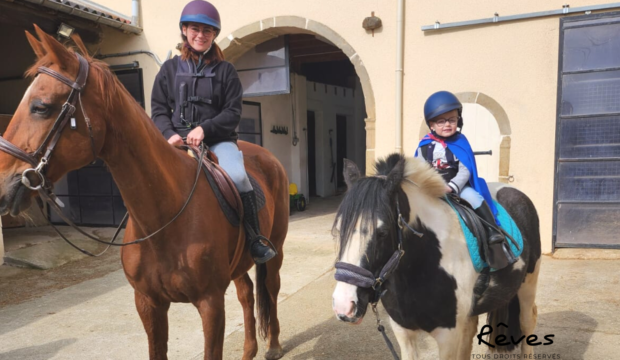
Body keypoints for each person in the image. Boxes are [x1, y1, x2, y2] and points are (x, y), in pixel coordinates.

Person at [150, 0, 275, 264]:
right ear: (184, 30)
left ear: (214, 35)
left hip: (218, 141)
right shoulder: (168, 69)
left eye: (207, 31)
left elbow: (232, 113)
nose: (200, 35)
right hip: (175, 142)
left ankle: (254, 238)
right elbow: (159, 109)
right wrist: (168, 134)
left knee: (239, 177)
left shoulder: (226, 71)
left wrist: (204, 128)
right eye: (195, 29)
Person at [415, 91, 516, 270]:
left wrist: (452, 186)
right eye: (441, 121)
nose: (447, 124)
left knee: (475, 198)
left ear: (458, 121)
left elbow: (465, 169)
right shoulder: (424, 145)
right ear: (432, 124)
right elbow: (420, 168)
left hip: (456, 186)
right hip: (431, 187)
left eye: (451, 120)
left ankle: (493, 233)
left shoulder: (460, 142)